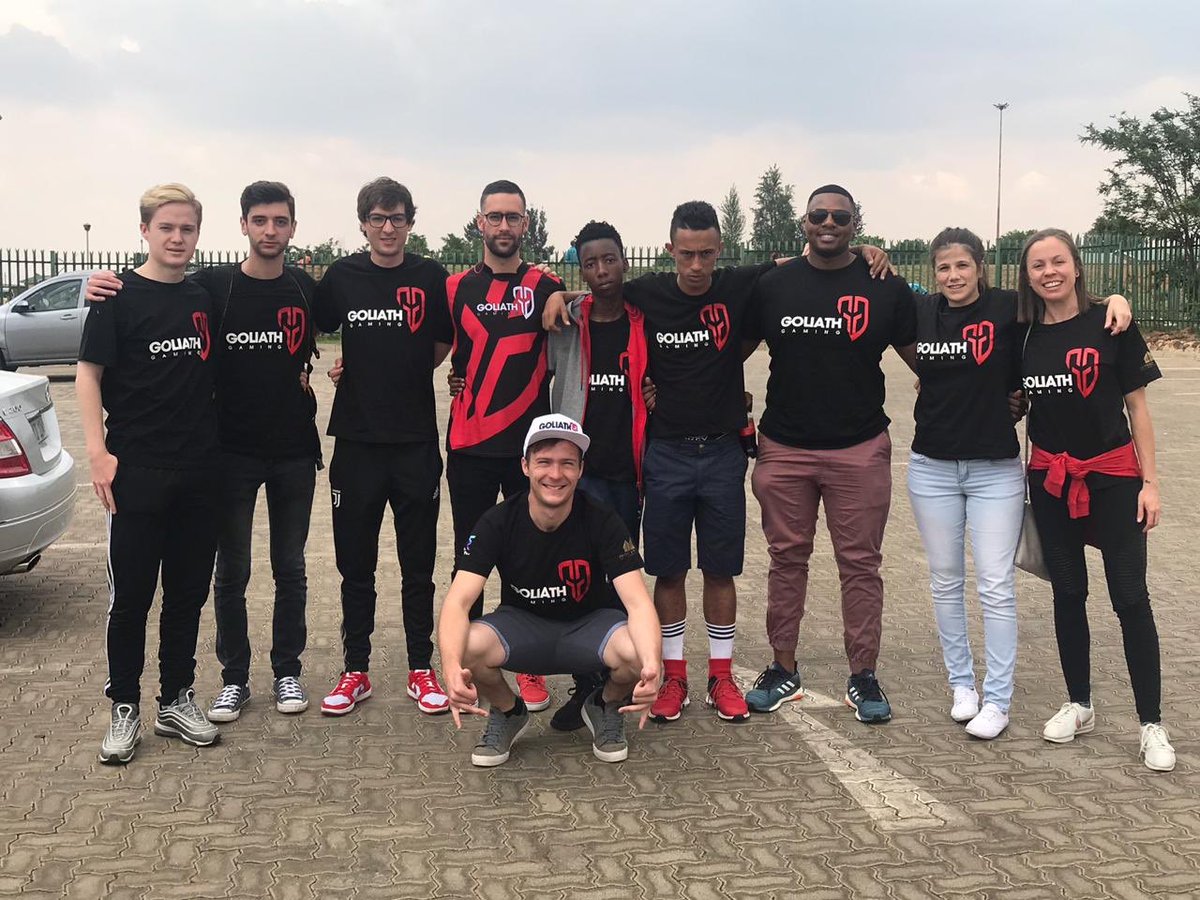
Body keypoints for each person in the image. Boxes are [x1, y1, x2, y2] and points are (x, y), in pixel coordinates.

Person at [546, 202, 890, 724]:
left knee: (720, 570)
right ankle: (674, 677)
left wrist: (863, 249)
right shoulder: (648, 292)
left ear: (720, 250)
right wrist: (559, 294)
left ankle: (721, 676)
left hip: (725, 452)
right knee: (668, 572)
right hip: (666, 454)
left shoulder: (738, 284)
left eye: (706, 254)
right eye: (686, 254)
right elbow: (601, 289)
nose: (696, 265)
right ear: (669, 250)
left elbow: (807, 257)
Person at [86, 181, 322, 722]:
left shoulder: (306, 287)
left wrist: (343, 366)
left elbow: (356, 320)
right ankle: (232, 678)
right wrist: (99, 283)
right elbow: (152, 292)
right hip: (226, 454)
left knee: (289, 568)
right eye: (259, 220)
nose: (269, 230)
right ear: (242, 225)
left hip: (289, 451)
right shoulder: (213, 286)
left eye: (280, 221)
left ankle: (285, 672)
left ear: (292, 227)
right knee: (229, 572)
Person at [907, 227, 1130, 740]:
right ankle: (962, 685)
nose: (953, 276)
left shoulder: (1008, 308)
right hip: (932, 467)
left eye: (962, 266)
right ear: (933, 272)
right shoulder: (921, 311)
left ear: (981, 268)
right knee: (945, 580)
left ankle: (998, 699)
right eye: (943, 267)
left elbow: (1065, 304)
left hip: (994, 468)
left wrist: (1116, 300)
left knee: (995, 584)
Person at [743, 184, 916, 725]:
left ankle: (863, 676)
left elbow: (930, 354)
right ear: (804, 221)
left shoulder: (884, 285)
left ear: (855, 223)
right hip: (785, 447)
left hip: (858, 447)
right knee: (785, 561)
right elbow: (726, 351)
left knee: (860, 566)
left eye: (840, 217)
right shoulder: (774, 285)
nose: (829, 223)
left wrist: (995, 394)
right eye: (819, 214)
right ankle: (783, 668)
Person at [1017, 228, 1173, 772]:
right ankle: (1079, 704)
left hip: (1113, 478)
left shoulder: (1112, 323)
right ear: (1027, 276)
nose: (1049, 272)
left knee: (1130, 598)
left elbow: (1138, 408)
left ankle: (1151, 723)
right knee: (1068, 592)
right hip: (1052, 481)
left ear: (1077, 266)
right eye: (1038, 265)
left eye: (1058, 261)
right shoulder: (1023, 334)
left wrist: (1151, 483)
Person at [78, 183, 221, 764]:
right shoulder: (115, 295)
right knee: (131, 599)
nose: (177, 238)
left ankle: (175, 699)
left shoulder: (204, 295)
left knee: (186, 596)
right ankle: (124, 707)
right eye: (166, 227)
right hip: (135, 470)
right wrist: (97, 453)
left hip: (200, 471)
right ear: (145, 231)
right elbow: (87, 375)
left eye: (187, 228)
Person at [437, 415, 661, 766]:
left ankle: (606, 704)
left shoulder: (602, 518)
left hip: (589, 628)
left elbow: (639, 603)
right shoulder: (498, 520)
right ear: (525, 466)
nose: (555, 474)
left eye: (567, 463)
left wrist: (652, 667)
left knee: (640, 652)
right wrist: (450, 668)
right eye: (544, 462)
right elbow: (457, 603)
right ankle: (508, 711)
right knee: (462, 646)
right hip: (522, 627)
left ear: (580, 470)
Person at [315, 177, 455, 717]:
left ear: (410, 223)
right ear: (364, 224)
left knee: (418, 565)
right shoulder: (343, 276)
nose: (388, 228)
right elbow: (312, 321)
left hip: (415, 441)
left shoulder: (430, 277)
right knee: (357, 566)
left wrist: (407, 366)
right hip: (356, 443)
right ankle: (356, 670)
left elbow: (443, 341)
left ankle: (421, 668)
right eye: (378, 218)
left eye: (397, 218)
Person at [445, 180, 564, 713]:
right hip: (469, 445)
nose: (503, 226)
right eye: (494, 217)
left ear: (526, 223)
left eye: (513, 217)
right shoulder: (454, 288)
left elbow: (594, 307)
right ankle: (466, 663)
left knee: (530, 560)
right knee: (469, 559)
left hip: (527, 450)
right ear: (480, 222)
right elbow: (430, 347)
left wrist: (563, 296)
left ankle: (529, 664)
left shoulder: (546, 285)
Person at [544, 220, 649, 730]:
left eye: (609, 259)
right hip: (577, 474)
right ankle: (585, 685)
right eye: (591, 263)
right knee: (577, 580)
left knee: (620, 582)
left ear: (624, 261)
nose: (602, 270)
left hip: (627, 474)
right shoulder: (567, 321)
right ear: (581, 271)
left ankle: (614, 689)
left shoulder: (644, 319)